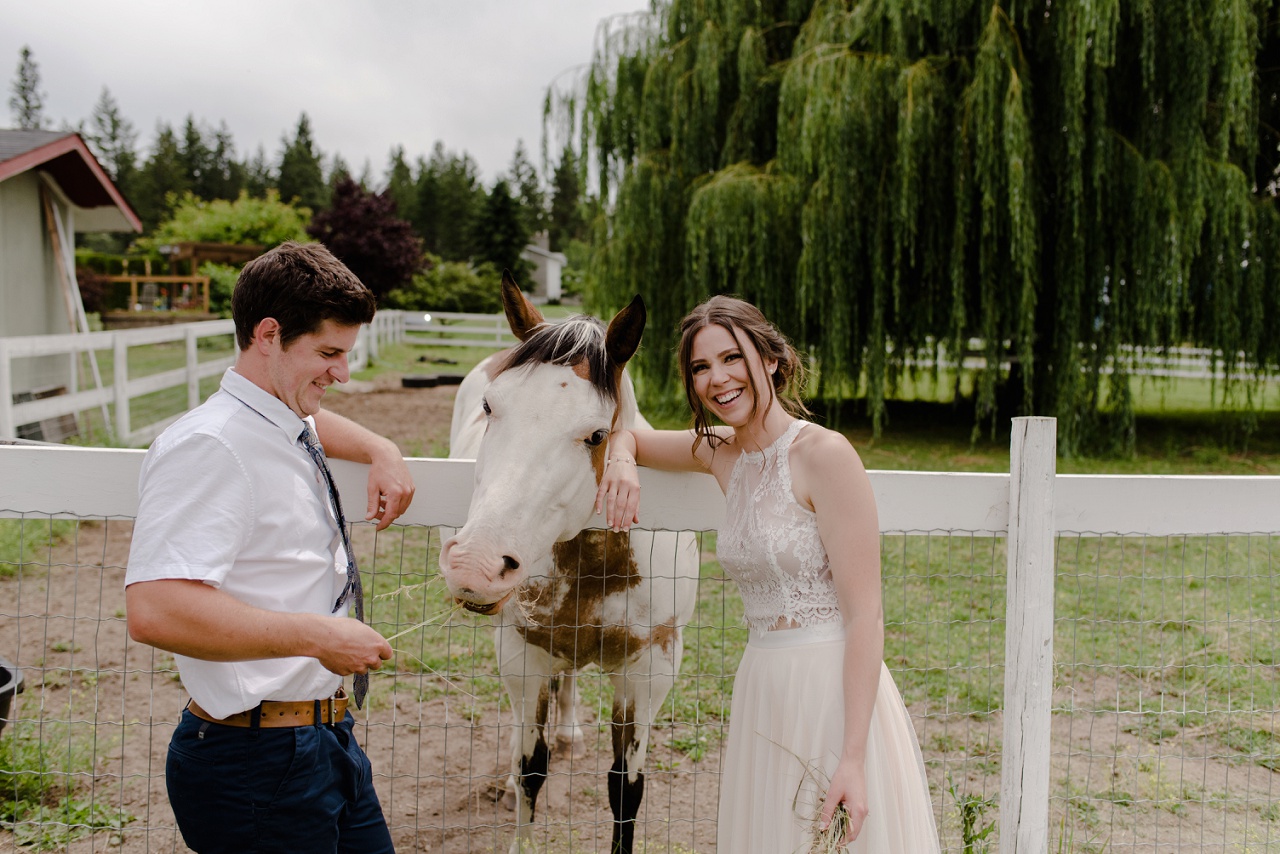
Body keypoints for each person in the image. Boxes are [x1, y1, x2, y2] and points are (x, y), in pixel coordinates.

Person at [595, 296, 940, 852]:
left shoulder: (824, 455)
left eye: (732, 357)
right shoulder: (719, 453)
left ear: (772, 360)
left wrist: (853, 756)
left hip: (832, 689)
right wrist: (620, 463)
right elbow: (627, 433)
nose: (718, 379)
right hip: (762, 687)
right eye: (701, 367)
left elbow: (866, 616)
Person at [125, 242, 415, 854]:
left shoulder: (280, 416)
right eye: (329, 353)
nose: (343, 373)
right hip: (252, 759)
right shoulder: (212, 447)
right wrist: (317, 636)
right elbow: (156, 609)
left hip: (325, 738)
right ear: (268, 334)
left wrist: (381, 449)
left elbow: (314, 425)